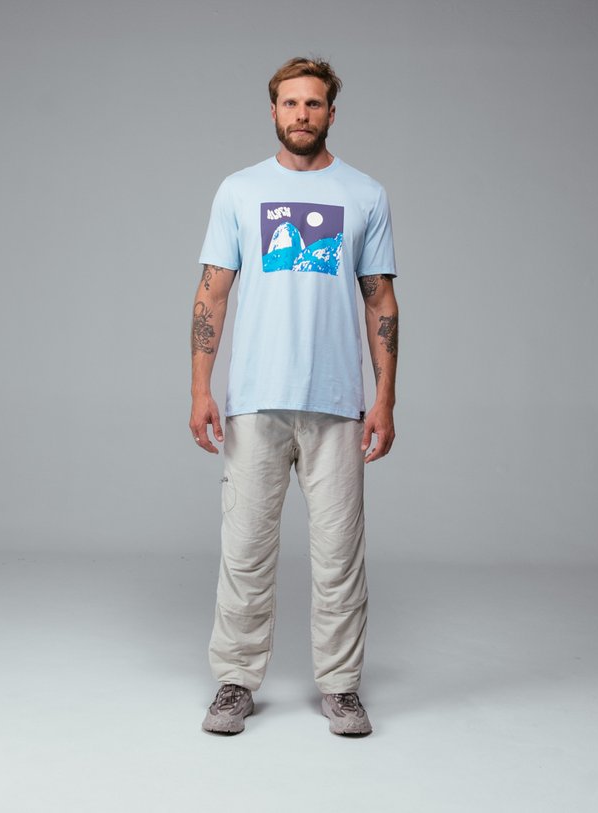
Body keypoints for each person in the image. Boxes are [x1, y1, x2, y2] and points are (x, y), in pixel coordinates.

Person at [190, 57, 398, 736]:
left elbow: (380, 301)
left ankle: (341, 687)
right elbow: (211, 293)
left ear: (332, 112)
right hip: (255, 398)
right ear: (273, 111)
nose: (301, 114)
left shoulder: (365, 194)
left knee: (339, 555)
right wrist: (200, 388)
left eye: (313, 104)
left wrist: (385, 399)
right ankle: (234, 682)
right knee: (245, 550)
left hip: (337, 401)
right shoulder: (239, 190)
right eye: (289, 103)